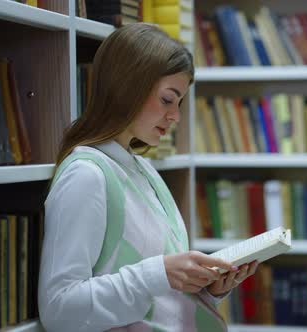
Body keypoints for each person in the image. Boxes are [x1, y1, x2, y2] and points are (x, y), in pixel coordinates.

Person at [38, 23, 258, 332]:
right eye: (168, 99)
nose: (176, 116)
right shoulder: (85, 175)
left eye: (179, 103)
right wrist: (160, 274)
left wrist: (207, 289)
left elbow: (155, 292)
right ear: (127, 88)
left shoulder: (144, 171)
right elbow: (59, 310)